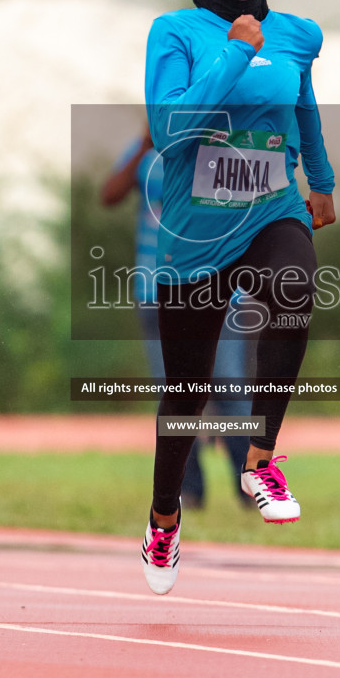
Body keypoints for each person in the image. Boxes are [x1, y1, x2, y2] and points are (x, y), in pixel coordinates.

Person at [140, 0, 337, 595]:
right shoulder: (175, 32)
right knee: (186, 396)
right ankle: (165, 516)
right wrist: (233, 49)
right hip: (197, 230)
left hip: (271, 207)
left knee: (296, 284)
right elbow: (171, 131)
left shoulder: (297, 35)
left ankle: (260, 458)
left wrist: (321, 180)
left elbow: (303, 107)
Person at [101, 128, 255, 509]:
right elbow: (109, 196)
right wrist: (141, 145)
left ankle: (250, 485)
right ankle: (189, 490)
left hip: (216, 288)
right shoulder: (147, 152)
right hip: (156, 291)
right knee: (175, 393)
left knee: (229, 389)